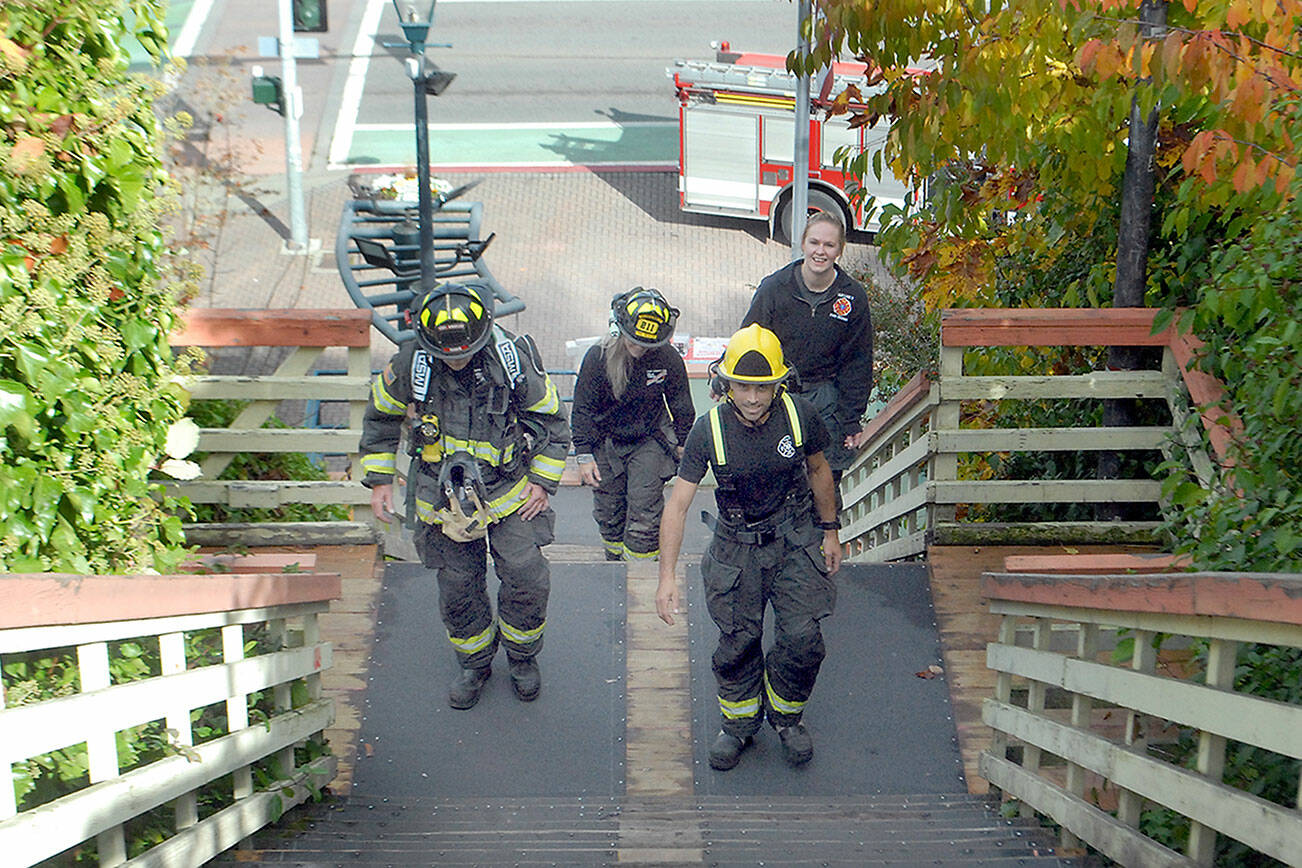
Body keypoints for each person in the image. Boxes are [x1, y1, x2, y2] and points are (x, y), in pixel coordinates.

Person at [360, 282, 571, 710]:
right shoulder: (410, 364)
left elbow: (553, 421)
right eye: (447, 353)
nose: (456, 358)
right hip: (442, 502)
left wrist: (542, 483)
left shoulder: (509, 359)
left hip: (509, 492)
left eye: (464, 351)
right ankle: (475, 662)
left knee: (526, 573)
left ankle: (522, 657)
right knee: (457, 585)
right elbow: (380, 418)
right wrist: (380, 479)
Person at [656, 323, 843, 770]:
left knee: (803, 638)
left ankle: (786, 715)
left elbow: (819, 471)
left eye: (764, 388)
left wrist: (831, 530)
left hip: (795, 537)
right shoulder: (708, 431)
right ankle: (739, 726)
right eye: (744, 387)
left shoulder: (800, 416)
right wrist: (665, 578)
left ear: (780, 382)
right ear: (725, 382)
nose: (754, 398)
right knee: (739, 641)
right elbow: (677, 506)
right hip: (736, 546)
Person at [740, 209, 872, 478]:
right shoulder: (775, 288)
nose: (820, 251)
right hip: (778, 397)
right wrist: (727, 381)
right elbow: (748, 341)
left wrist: (851, 420)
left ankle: (826, 522)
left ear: (840, 250)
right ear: (803, 244)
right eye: (814, 242)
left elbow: (858, 363)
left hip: (827, 401)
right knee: (774, 477)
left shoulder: (852, 297)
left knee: (824, 483)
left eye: (829, 245)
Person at [570, 287, 695, 562]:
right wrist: (584, 455)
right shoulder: (598, 358)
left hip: (649, 441)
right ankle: (613, 562)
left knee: (645, 513)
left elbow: (681, 404)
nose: (639, 349)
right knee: (608, 510)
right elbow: (582, 410)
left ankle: (642, 569)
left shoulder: (667, 358)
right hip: (606, 442)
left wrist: (685, 444)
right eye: (634, 341)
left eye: (646, 344)